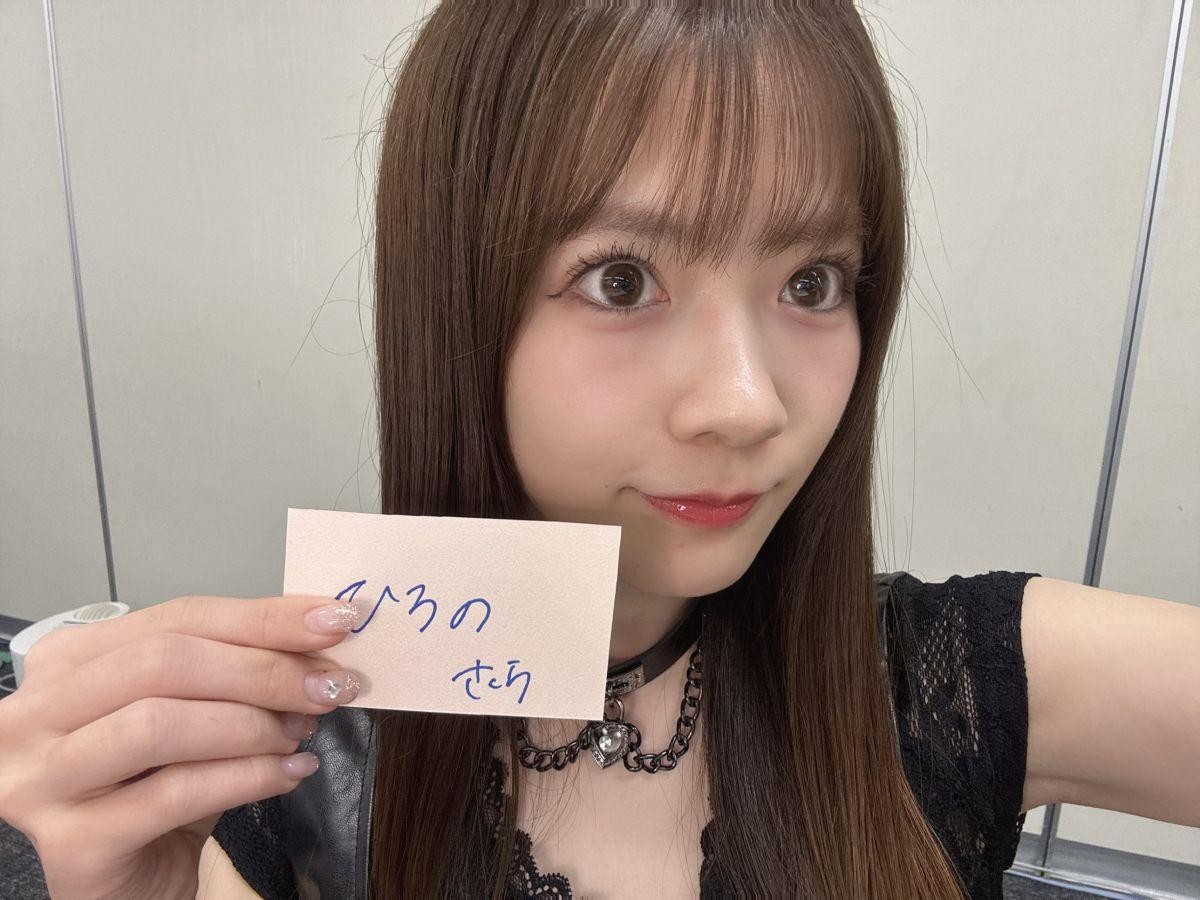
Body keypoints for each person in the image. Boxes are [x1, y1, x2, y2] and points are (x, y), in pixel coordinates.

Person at [3, 3, 1195, 899]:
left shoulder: (942, 683)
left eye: (812, 282)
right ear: (456, 306)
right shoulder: (304, 766)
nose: (745, 405)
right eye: (622, 280)